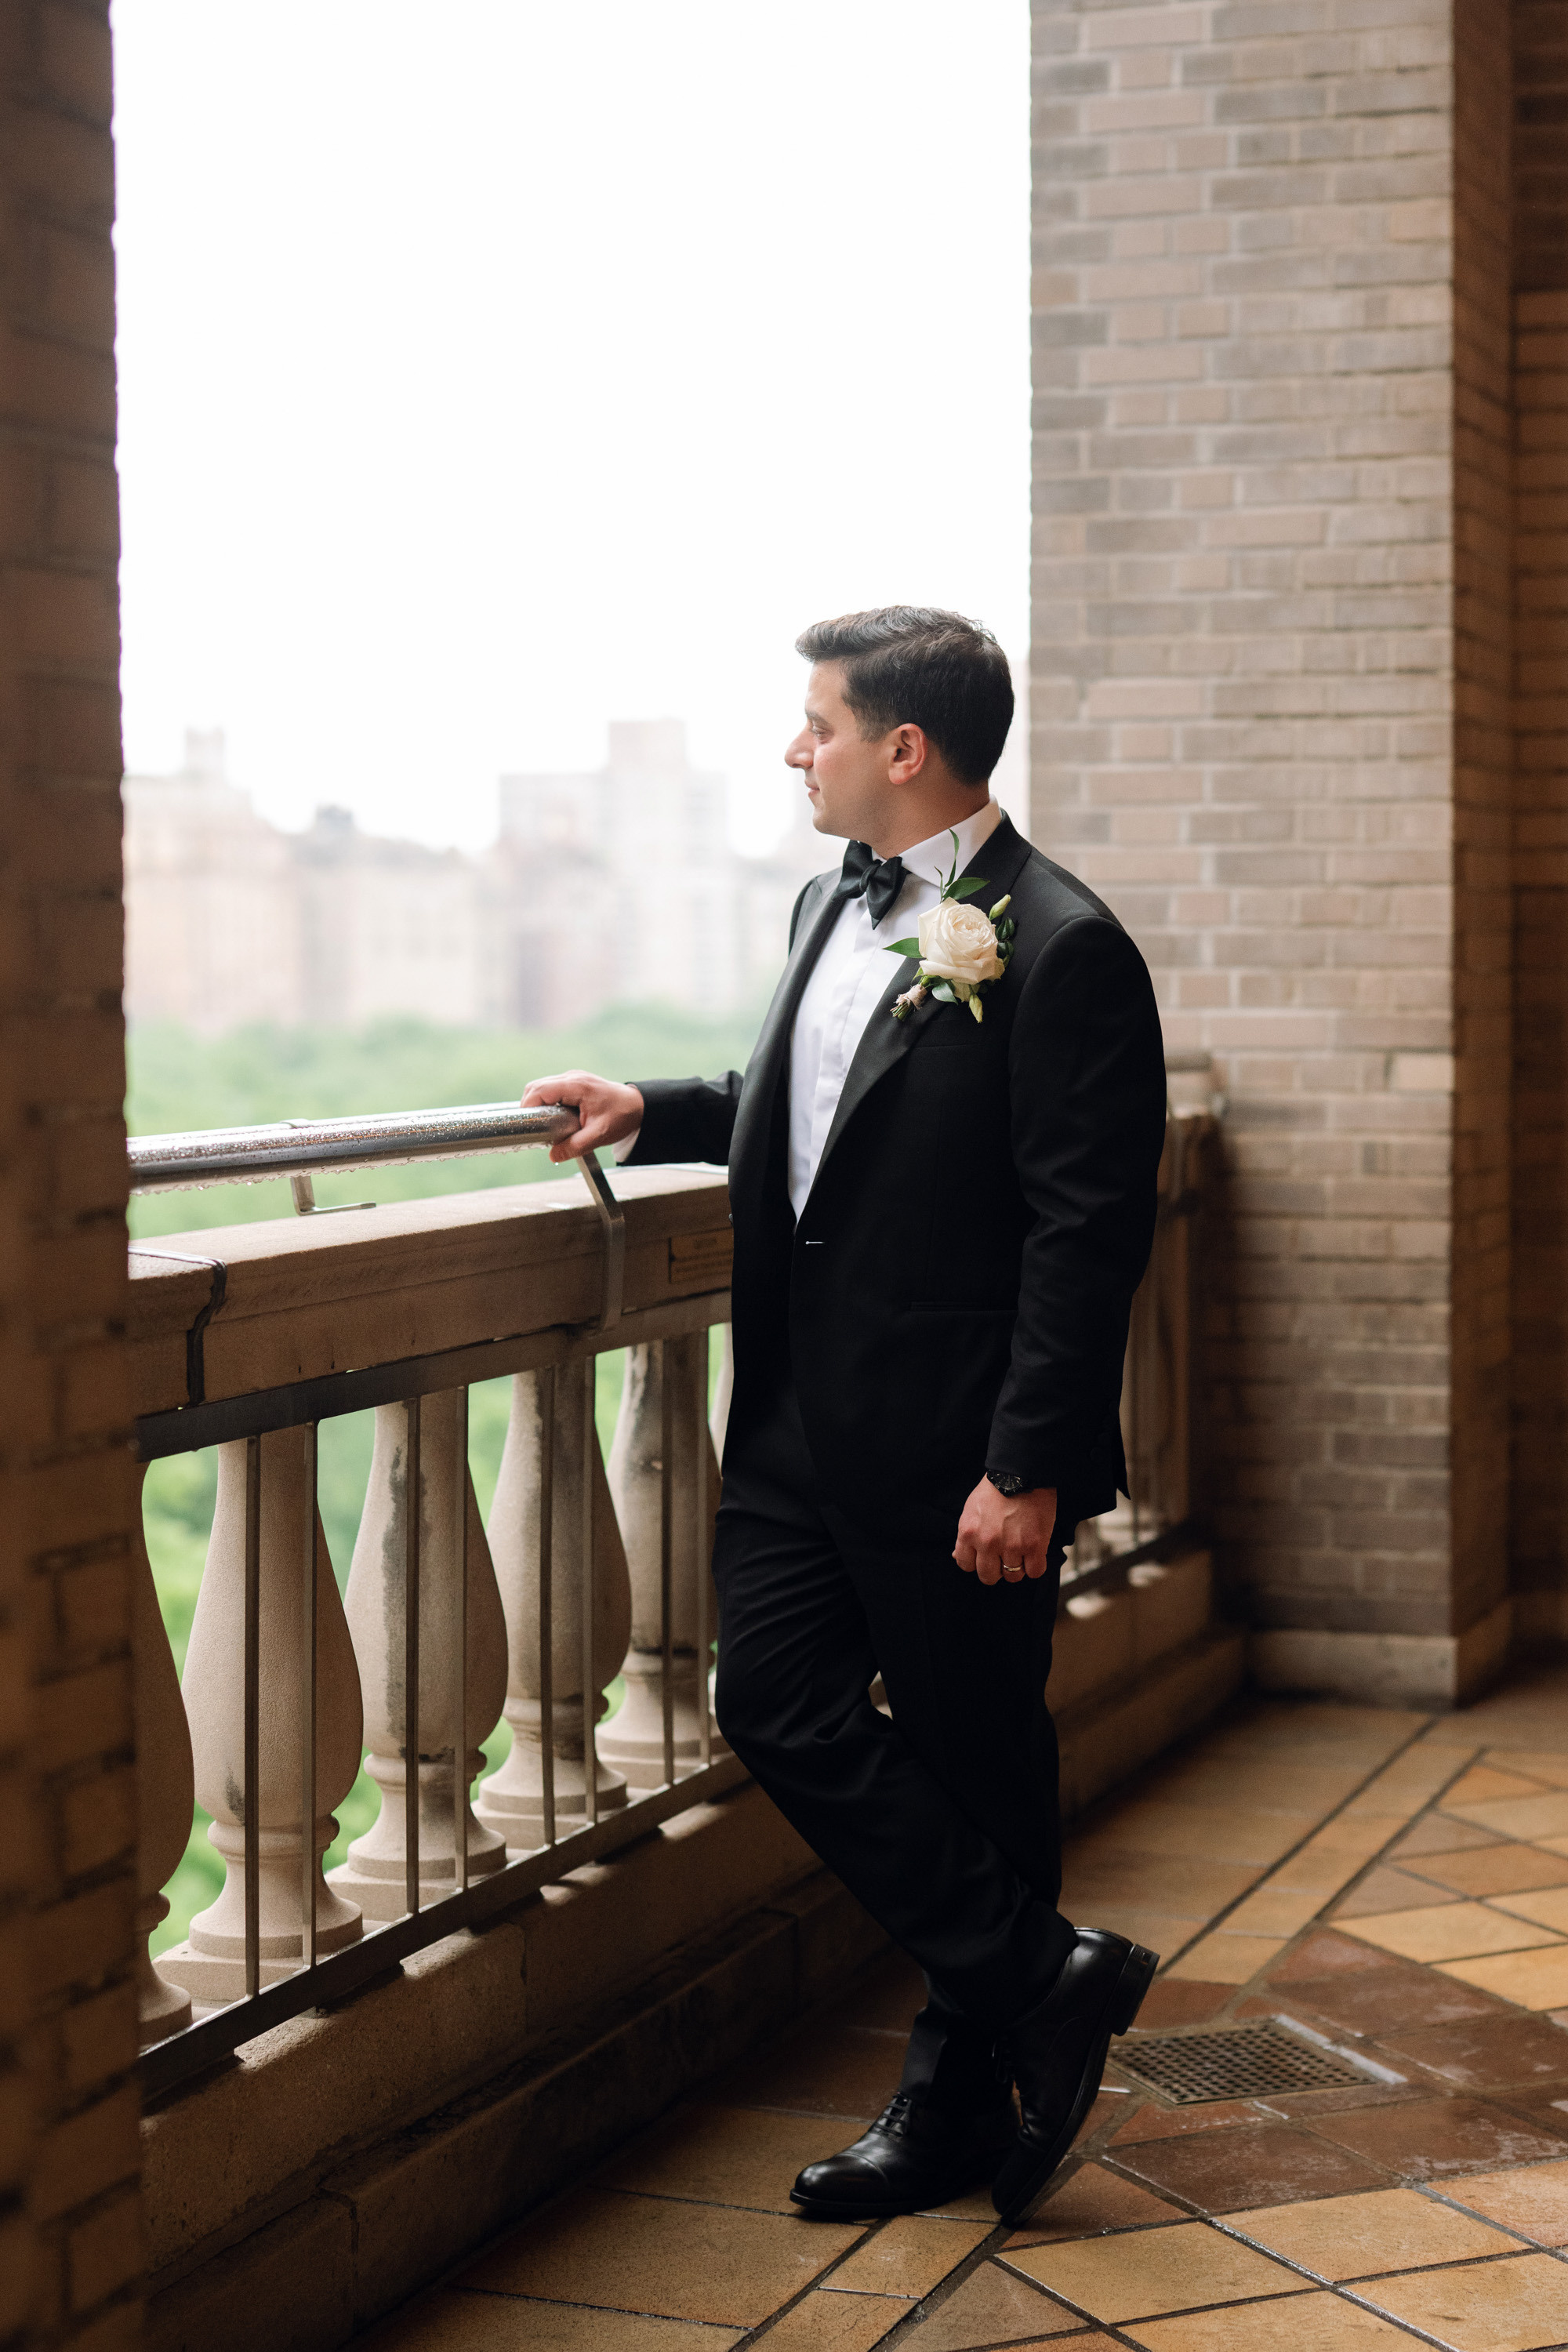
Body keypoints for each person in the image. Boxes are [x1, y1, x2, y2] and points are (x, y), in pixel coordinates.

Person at [524, 606, 1168, 2225]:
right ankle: (1046, 1973)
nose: (792, 748)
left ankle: (952, 2098)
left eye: (815, 722)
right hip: (797, 1423)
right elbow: (807, 1111)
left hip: (960, 1449)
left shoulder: (1066, 945)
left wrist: (1022, 1466)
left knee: (972, 1759)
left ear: (903, 747)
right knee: (778, 1701)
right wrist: (651, 1108)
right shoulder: (831, 900)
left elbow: (1086, 1231)